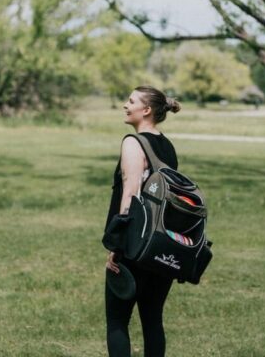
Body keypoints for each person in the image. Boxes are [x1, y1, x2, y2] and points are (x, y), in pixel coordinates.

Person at [105, 85, 181, 357]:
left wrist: (116, 246)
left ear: (146, 110)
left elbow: (130, 194)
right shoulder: (167, 146)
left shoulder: (133, 142)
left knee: (117, 320)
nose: (125, 105)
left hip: (135, 245)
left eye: (131, 101)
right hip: (162, 243)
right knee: (152, 320)